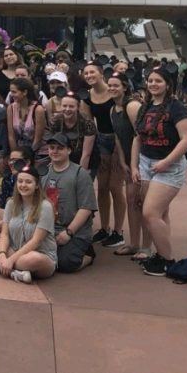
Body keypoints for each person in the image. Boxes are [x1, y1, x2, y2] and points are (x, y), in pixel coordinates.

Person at [131, 67, 187, 277]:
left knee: (150, 213)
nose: (153, 84)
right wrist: (133, 166)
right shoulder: (146, 106)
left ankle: (168, 261)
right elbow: (138, 137)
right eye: (150, 80)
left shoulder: (177, 108)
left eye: (158, 81)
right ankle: (161, 253)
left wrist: (167, 161)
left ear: (168, 84)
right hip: (146, 163)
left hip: (169, 166)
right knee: (161, 213)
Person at [0, 162, 57, 283]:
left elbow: (36, 241)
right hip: (14, 250)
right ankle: (13, 272)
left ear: (37, 185)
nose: (23, 185)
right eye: (20, 181)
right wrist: (2, 254)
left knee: (33, 259)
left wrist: (10, 260)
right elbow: (4, 234)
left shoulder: (45, 206)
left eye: (28, 182)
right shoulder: (11, 203)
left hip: (40, 255)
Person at [80, 62, 126, 249]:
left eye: (92, 72)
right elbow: (89, 124)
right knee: (102, 188)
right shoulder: (87, 97)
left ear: (101, 74)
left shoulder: (113, 91)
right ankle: (104, 228)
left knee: (116, 187)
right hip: (101, 141)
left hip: (118, 140)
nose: (89, 75)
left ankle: (118, 231)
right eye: (86, 73)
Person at [107, 73, 152, 260]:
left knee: (146, 204)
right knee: (132, 201)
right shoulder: (113, 109)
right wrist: (123, 161)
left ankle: (147, 247)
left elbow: (140, 135)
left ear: (125, 87)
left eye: (116, 85)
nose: (111, 88)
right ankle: (133, 243)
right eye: (109, 85)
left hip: (144, 161)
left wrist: (135, 164)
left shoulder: (132, 106)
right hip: (129, 161)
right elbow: (118, 137)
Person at [42, 132, 98, 273]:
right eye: (52, 148)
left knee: (64, 264)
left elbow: (86, 208)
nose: (55, 151)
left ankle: (88, 254)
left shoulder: (80, 174)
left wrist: (69, 232)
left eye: (60, 148)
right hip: (49, 229)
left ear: (69, 150)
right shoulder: (43, 172)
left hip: (74, 231)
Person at [48, 91, 96, 166]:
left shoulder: (88, 123)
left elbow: (86, 154)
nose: (67, 109)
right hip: (63, 158)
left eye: (71, 106)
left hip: (85, 160)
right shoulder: (55, 121)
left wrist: (80, 174)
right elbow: (53, 148)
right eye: (64, 106)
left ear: (78, 107)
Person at [7, 77, 46, 154]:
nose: (11, 95)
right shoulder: (11, 108)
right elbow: (11, 136)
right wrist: (15, 154)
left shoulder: (38, 109)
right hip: (20, 148)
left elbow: (38, 138)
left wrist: (29, 155)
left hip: (37, 150)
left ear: (24, 92)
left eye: (14, 92)